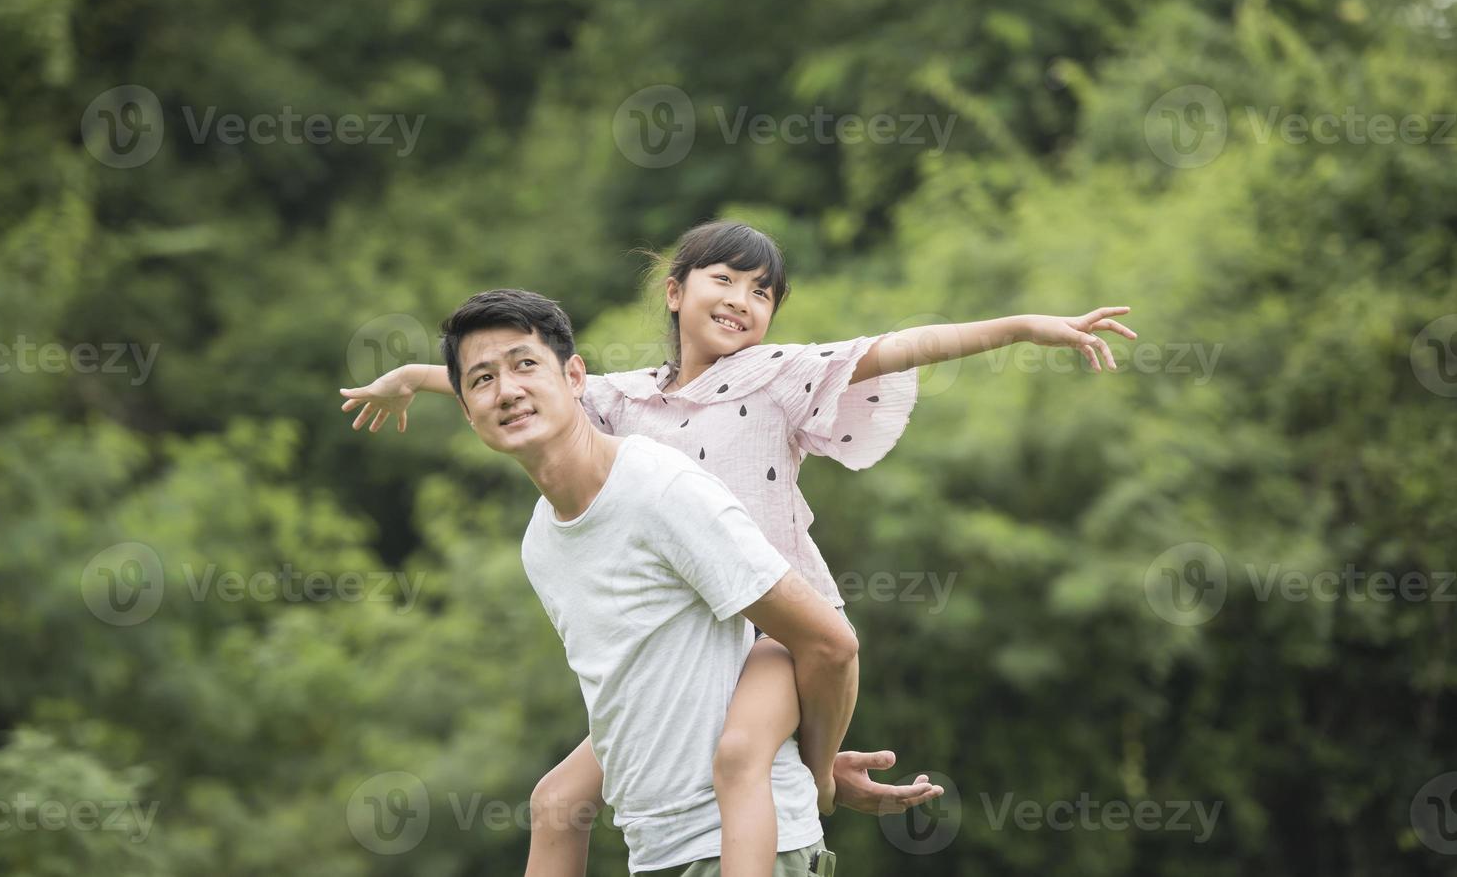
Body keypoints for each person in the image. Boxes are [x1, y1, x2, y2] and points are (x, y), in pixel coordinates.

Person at [340, 220, 1135, 874]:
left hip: (776, 629)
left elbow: (902, 344)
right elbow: (512, 382)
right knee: (557, 802)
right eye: (724, 278)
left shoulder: (776, 373)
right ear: (675, 291)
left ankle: (814, 788)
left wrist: (1027, 327)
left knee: (738, 757)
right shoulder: (629, 398)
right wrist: (409, 376)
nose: (744, 300)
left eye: (762, 293)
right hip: (693, 646)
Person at [437, 288, 941, 875]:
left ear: (575, 376)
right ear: (467, 412)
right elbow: (634, 695)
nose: (508, 390)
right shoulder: (542, 545)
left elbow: (829, 642)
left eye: (526, 364)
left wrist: (817, 768)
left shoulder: (660, 488)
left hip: (748, 849)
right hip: (654, 856)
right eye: (481, 379)